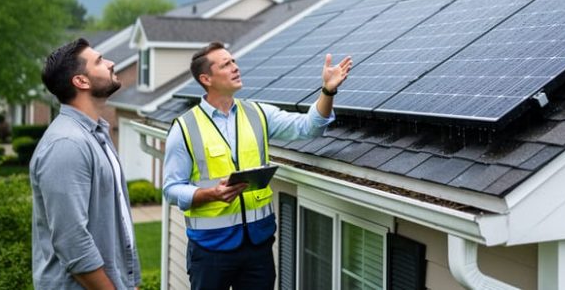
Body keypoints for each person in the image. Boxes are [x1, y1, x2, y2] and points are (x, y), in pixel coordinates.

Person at [163, 41, 352, 290]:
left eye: (234, 61)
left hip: (258, 247)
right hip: (210, 251)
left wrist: (327, 91)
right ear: (206, 78)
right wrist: (210, 194)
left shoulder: (258, 114)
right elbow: (171, 189)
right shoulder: (184, 128)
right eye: (226, 64)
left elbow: (310, 127)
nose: (235, 67)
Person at [30, 38, 141, 289]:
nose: (111, 63)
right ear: (81, 81)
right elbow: (72, 242)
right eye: (100, 61)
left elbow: (117, 222)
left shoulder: (97, 134)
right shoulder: (67, 144)